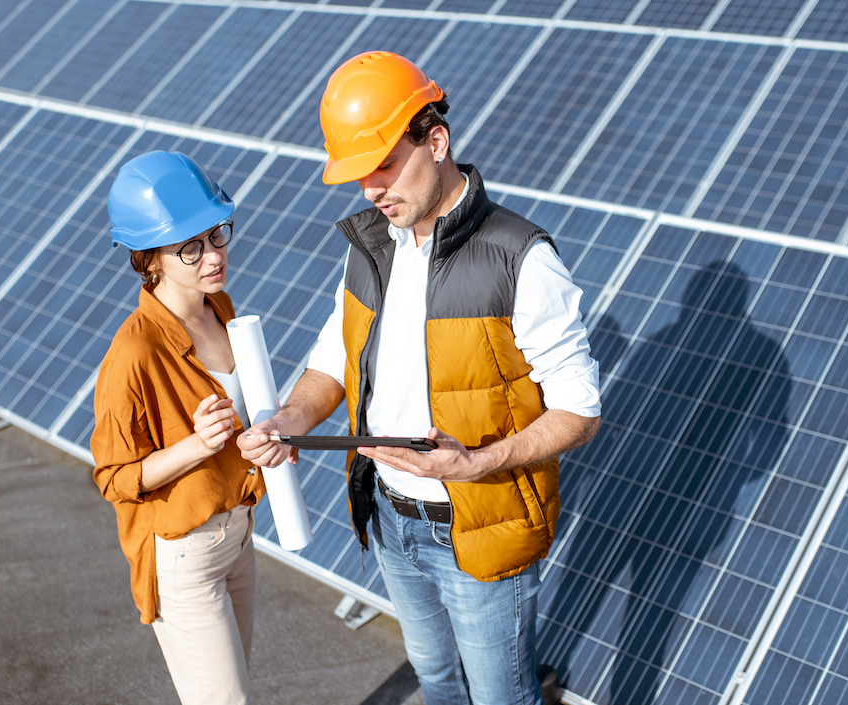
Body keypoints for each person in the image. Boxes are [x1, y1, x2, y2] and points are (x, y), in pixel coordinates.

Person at [237, 51, 602, 705]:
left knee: (501, 696)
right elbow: (335, 357)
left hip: (478, 520)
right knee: (435, 676)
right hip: (389, 517)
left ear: (436, 141)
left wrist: (479, 461)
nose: (373, 190)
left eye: (383, 165)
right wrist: (290, 419)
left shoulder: (522, 257)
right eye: (359, 175)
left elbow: (579, 409)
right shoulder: (371, 247)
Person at [90, 150, 292, 705]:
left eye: (217, 235)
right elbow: (114, 478)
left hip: (240, 538)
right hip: (184, 553)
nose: (212, 256)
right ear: (149, 258)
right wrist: (195, 445)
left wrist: (264, 436)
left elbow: (239, 419)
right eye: (189, 247)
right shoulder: (133, 351)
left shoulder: (220, 307)